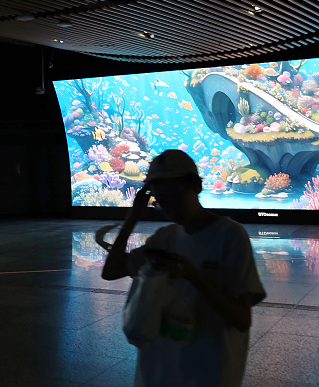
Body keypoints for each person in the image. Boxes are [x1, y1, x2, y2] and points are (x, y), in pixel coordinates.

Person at [100, 149, 266, 387]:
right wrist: (132, 217)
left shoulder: (229, 236)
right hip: (158, 371)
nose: (168, 207)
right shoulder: (163, 238)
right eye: (160, 200)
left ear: (196, 187)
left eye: (174, 196)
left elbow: (241, 318)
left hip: (209, 373)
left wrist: (192, 275)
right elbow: (111, 271)